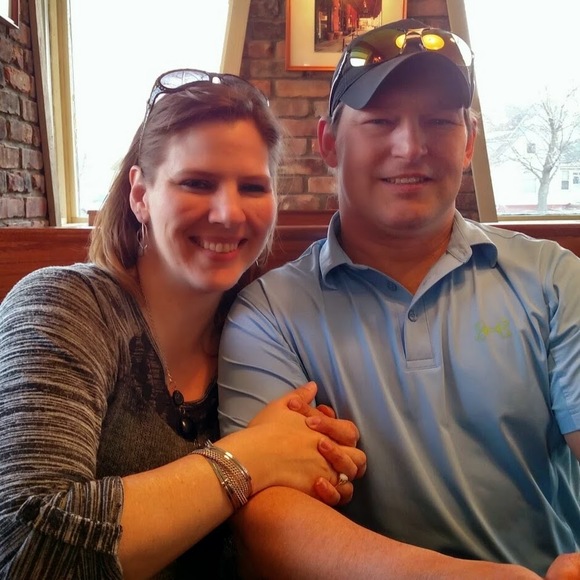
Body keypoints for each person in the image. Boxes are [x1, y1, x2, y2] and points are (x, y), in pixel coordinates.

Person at [218, 19, 580, 579]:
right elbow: (267, 520)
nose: (411, 148)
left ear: (469, 141)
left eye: (438, 121)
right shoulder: (269, 313)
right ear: (329, 143)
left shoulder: (553, 279)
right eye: (380, 121)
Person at [0, 69, 366, 579]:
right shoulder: (64, 305)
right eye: (196, 183)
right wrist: (250, 456)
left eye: (252, 187)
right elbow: (24, 549)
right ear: (140, 194)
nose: (228, 213)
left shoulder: (267, 332)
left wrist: (324, 462)